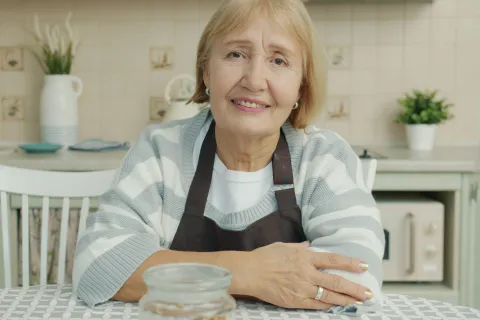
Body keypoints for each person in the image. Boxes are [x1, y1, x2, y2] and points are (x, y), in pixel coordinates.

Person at [73, 0, 385, 314]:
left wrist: (172, 271)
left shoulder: (323, 158)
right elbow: (98, 266)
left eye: (278, 60)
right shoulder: (160, 150)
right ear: (206, 70)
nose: (253, 80)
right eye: (236, 54)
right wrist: (248, 271)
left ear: (301, 87)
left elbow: (355, 279)